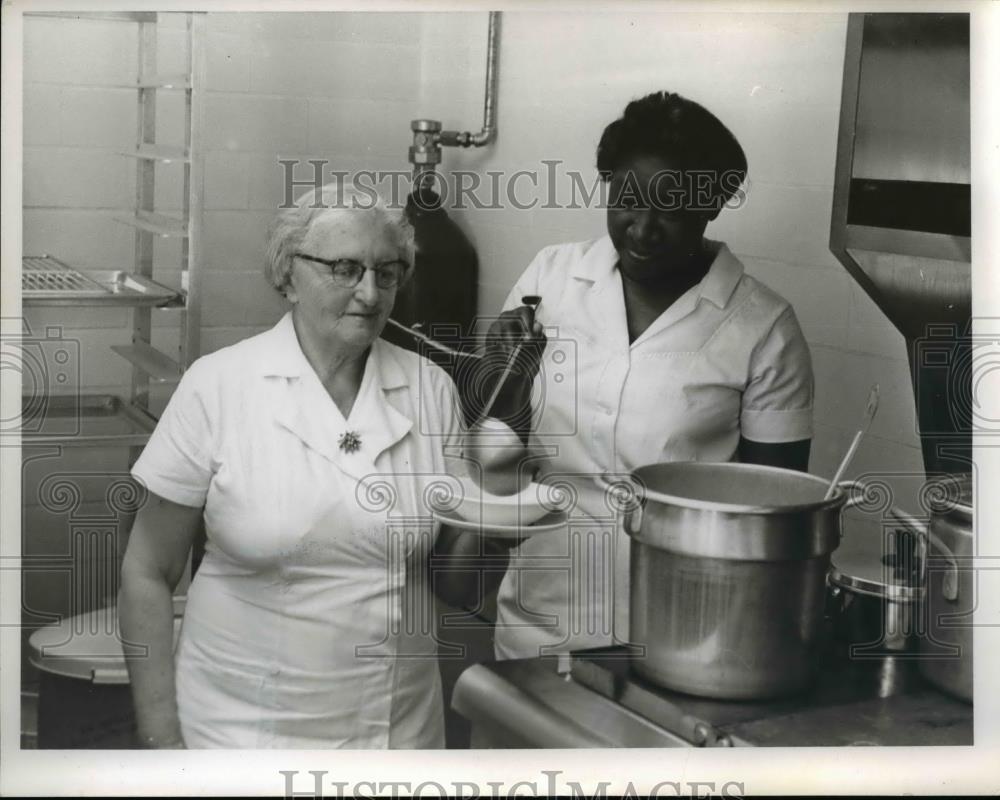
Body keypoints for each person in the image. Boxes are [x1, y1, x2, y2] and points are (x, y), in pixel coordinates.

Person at [118, 182, 466, 749]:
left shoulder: (431, 390)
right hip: (240, 735)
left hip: (395, 734)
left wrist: (504, 500)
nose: (370, 293)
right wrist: (162, 742)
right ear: (287, 276)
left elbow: (456, 582)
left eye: (388, 271)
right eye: (345, 269)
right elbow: (147, 571)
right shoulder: (218, 386)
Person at [472, 90, 815, 659]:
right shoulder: (551, 278)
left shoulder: (764, 326)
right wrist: (501, 376)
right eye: (627, 199)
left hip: (686, 638)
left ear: (712, 206)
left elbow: (773, 513)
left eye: (672, 209)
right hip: (538, 620)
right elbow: (493, 455)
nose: (643, 228)